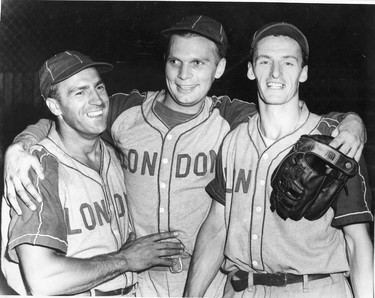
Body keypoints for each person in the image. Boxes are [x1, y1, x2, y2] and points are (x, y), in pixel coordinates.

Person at [2, 17, 367, 297]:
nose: (184, 75)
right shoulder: (123, 110)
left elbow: (292, 116)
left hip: (207, 282)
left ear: (219, 69)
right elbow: (72, 113)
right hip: (137, 282)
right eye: (176, 62)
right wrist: (21, 145)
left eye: (198, 63)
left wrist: (352, 123)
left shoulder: (231, 117)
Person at [183, 22, 374, 298]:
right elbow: (216, 227)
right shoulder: (234, 141)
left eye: (288, 63)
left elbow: (358, 243)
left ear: (303, 73)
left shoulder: (336, 142)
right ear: (251, 69)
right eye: (265, 61)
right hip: (240, 289)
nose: (275, 73)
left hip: (314, 289)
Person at [1, 51, 184, 296]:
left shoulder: (111, 152)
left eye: (98, 87)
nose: (97, 100)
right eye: (80, 92)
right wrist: (126, 259)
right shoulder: (37, 168)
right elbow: (43, 279)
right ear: (55, 105)